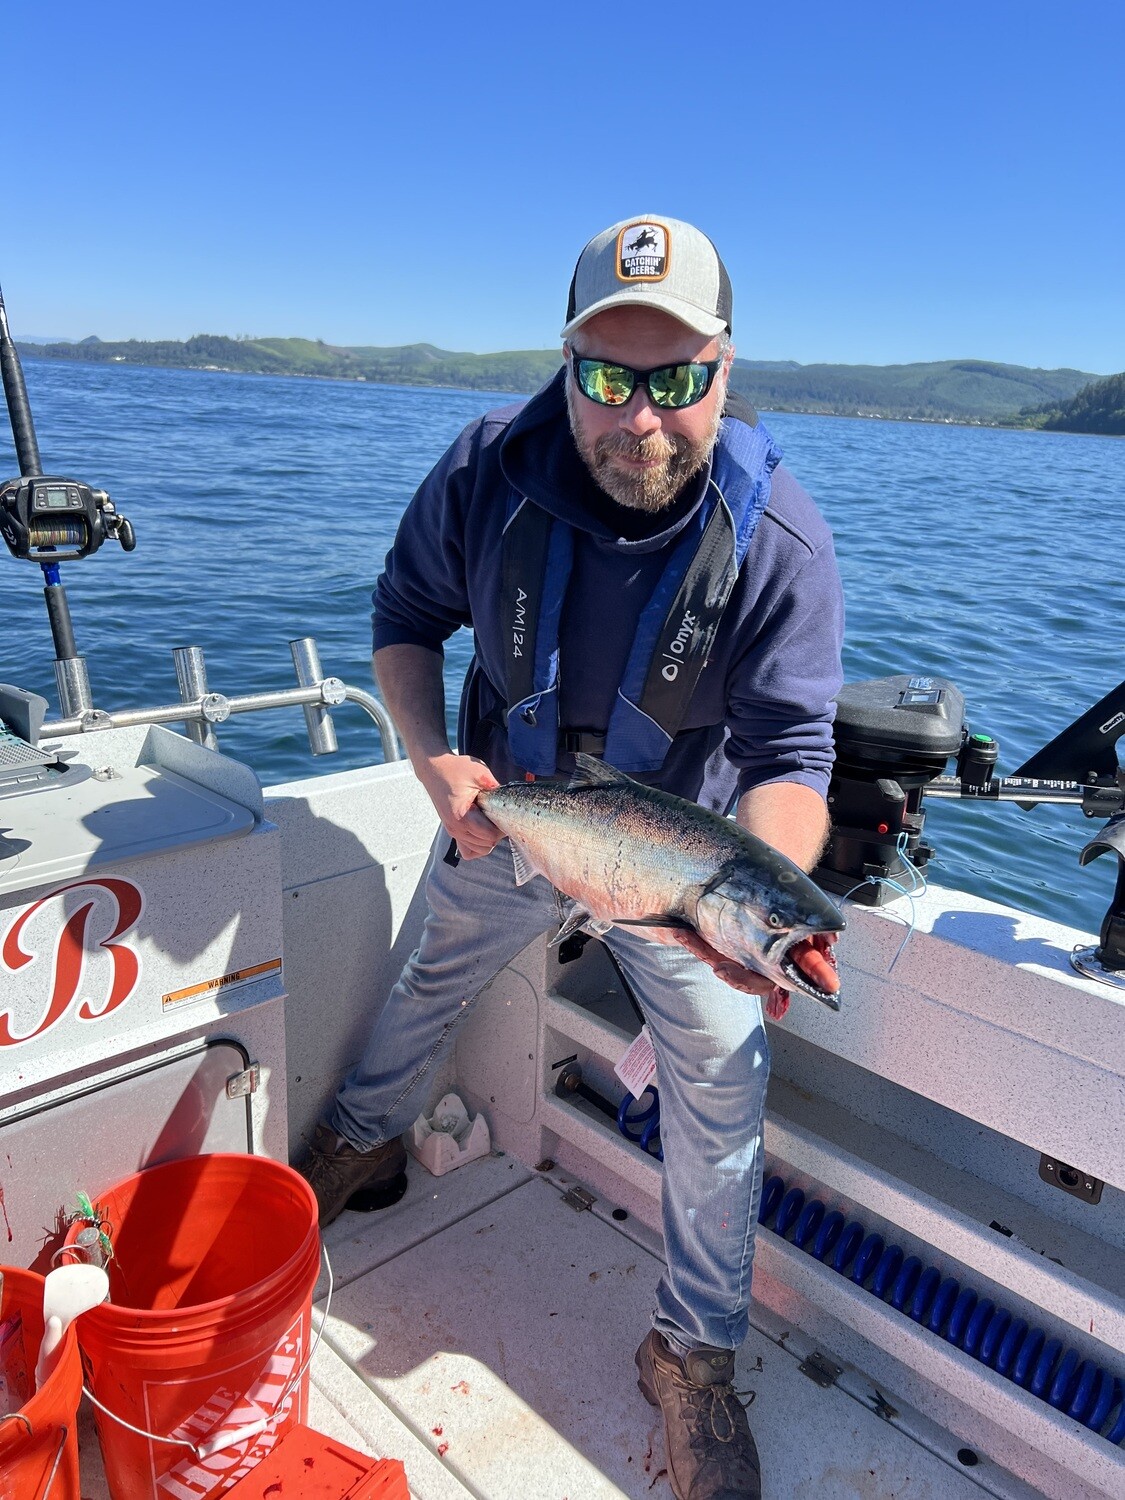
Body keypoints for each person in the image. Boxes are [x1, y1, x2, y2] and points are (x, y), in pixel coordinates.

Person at [299, 215, 844, 1500]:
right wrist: (435, 762)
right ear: (567, 365)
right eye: (608, 379)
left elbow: (791, 757)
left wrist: (743, 902)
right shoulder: (488, 468)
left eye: (675, 380)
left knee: (723, 1082)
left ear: (724, 367)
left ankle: (693, 1352)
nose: (639, 418)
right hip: (514, 810)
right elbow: (402, 620)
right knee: (431, 968)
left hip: (680, 866)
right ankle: (364, 1144)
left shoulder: (781, 544)